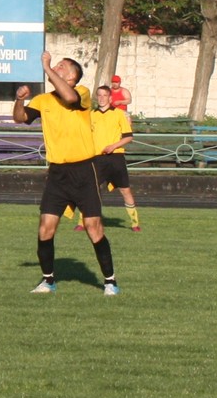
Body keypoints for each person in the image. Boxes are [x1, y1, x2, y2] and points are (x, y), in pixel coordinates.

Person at [16, 54, 118, 295]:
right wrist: (19, 100)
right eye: (55, 65)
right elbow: (20, 118)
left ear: (72, 76)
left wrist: (46, 68)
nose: (55, 67)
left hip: (84, 171)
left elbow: (70, 98)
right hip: (57, 173)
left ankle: (110, 281)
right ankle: (48, 280)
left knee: (93, 227)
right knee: (45, 227)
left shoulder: (81, 92)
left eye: (61, 66)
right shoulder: (43, 99)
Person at [89, 82, 141, 232]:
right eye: (99, 95)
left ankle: (135, 223)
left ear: (110, 98)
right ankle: (85, 221)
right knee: (91, 190)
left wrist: (113, 146)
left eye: (105, 95)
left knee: (125, 190)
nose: (102, 98)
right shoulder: (91, 115)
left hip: (115, 157)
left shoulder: (118, 114)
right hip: (97, 158)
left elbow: (128, 136)